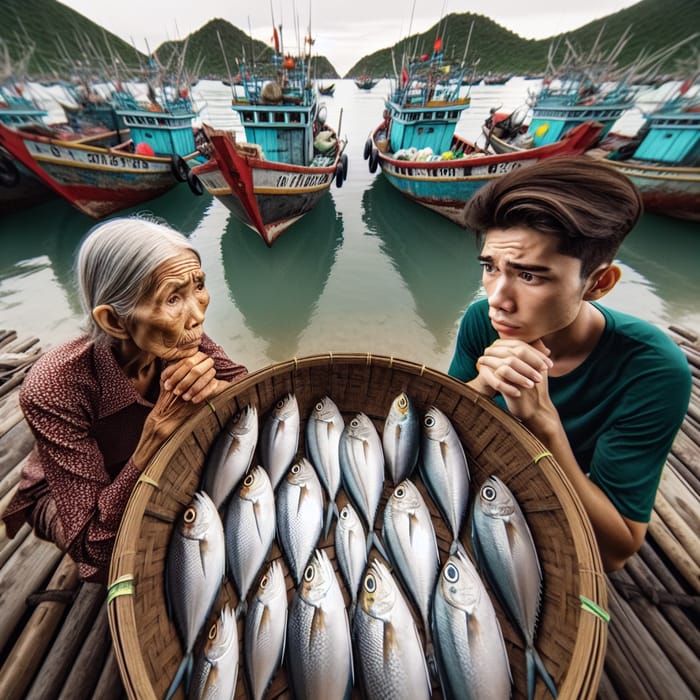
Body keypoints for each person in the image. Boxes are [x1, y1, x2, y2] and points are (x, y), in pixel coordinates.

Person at [448, 157, 691, 572]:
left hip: (558, 525)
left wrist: (545, 423)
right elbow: (443, 421)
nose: (498, 299)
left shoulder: (652, 371)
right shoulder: (481, 322)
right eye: (490, 268)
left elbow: (614, 552)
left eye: (529, 276)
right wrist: (480, 386)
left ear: (599, 283)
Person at [2, 217, 248, 582]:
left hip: (139, 470)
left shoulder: (176, 334)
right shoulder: (55, 386)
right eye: (173, 298)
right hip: (69, 492)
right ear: (114, 322)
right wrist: (156, 435)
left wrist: (214, 392)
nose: (198, 314)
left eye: (199, 286)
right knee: (121, 563)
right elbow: (91, 547)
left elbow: (244, 389)